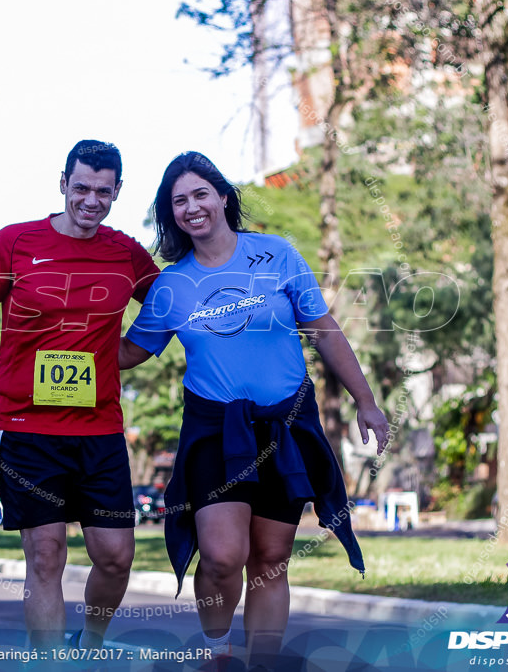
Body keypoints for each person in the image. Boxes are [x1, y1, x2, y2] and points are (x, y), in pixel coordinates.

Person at [119, 151, 390, 670]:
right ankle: (216, 654)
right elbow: (130, 353)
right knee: (223, 557)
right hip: (215, 429)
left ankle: (262, 664)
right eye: (179, 201)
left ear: (223, 197)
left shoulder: (277, 255)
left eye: (201, 194)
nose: (192, 206)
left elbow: (325, 330)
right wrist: (69, 326)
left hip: (285, 424)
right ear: (170, 214)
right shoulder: (171, 286)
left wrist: (367, 401)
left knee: (270, 559)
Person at [0, 140, 160, 650]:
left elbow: (170, 302)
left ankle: (91, 644)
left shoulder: (125, 251)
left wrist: (132, 349)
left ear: (117, 192)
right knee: (45, 556)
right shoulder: (15, 242)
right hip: (26, 427)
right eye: (81, 187)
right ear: (63, 184)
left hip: (100, 430)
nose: (91, 199)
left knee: (115, 557)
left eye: (103, 191)